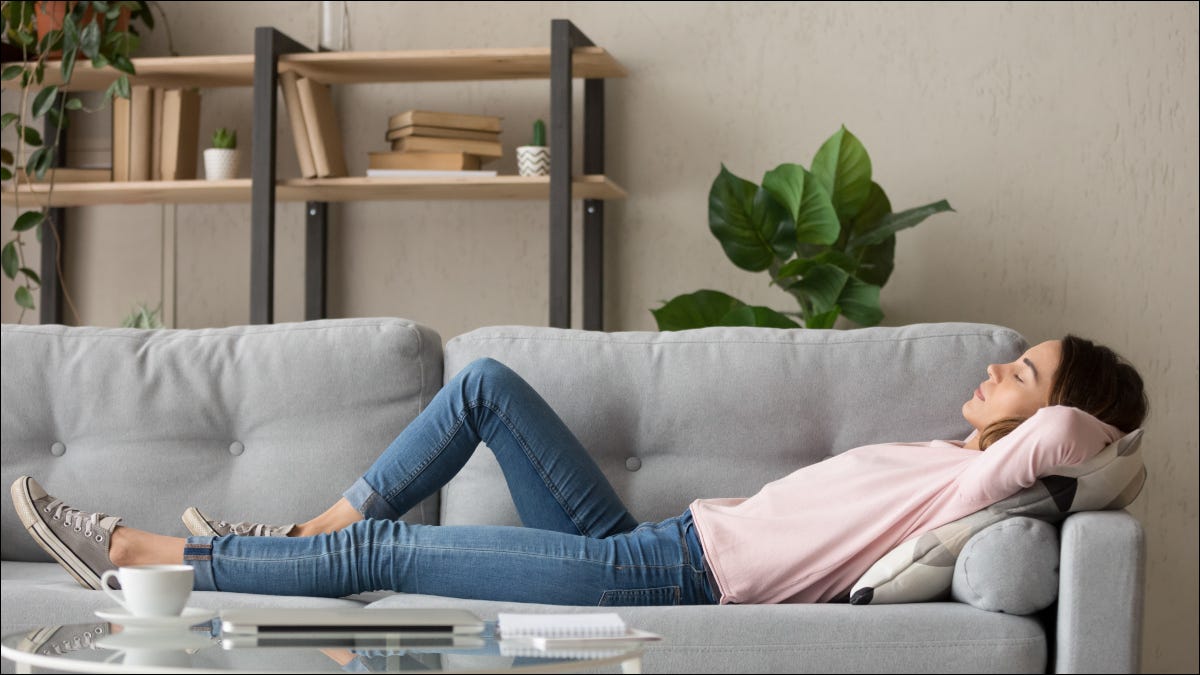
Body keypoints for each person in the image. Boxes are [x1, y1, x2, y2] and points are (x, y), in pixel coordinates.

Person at [12, 334, 1147, 606]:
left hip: (673, 584)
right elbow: (1048, 431)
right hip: (653, 540)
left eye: (1024, 372)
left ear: (1059, 414)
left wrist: (1095, 420)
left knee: (393, 556)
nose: (998, 368)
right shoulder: (953, 458)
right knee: (486, 386)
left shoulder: (991, 483)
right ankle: (298, 539)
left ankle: (135, 556)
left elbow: (1074, 449)